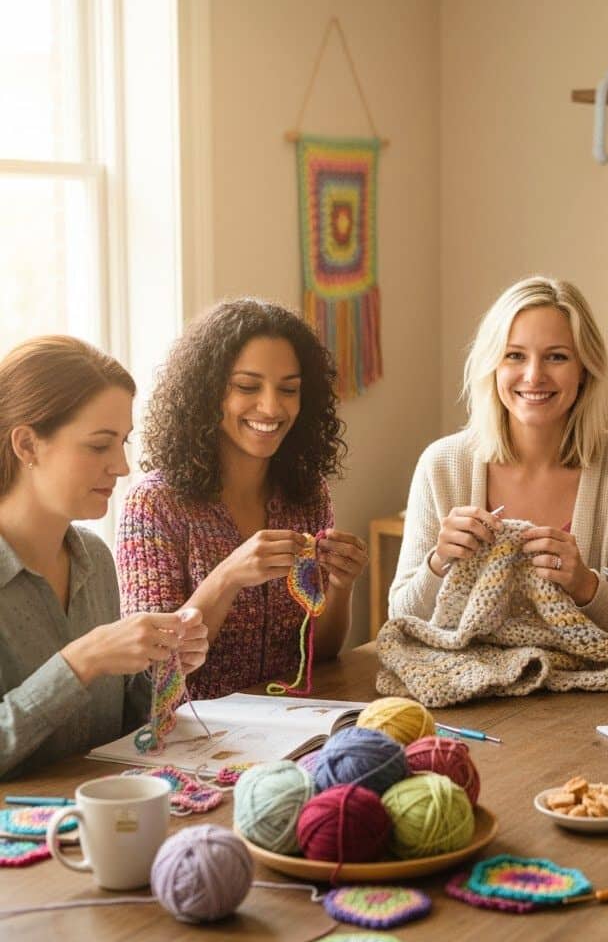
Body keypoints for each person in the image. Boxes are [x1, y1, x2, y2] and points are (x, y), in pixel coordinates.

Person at [389, 276, 608, 644]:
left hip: (587, 679)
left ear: (585, 369)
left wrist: (585, 586)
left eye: (557, 357)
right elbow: (402, 617)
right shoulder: (441, 466)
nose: (534, 376)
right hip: (464, 675)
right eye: (515, 355)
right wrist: (439, 562)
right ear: (493, 365)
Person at [117, 299, 367, 699]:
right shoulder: (154, 505)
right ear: (206, 392)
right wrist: (227, 577)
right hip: (197, 729)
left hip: (294, 718)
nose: (271, 407)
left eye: (289, 389)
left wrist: (341, 585)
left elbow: (319, 654)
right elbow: (154, 672)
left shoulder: (307, 494)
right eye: (247, 387)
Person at [0, 336, 208, 778]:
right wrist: (82, 661)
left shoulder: (94, 558)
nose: (122, 466)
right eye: (99, 445)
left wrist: (162, 667)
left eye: (123, 442)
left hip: (105, 808)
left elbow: (122, 729)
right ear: (27, 445)